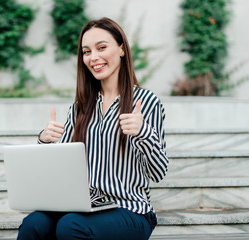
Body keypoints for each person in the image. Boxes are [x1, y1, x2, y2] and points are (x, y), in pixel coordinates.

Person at [17, 17, 169, 240]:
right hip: (86, 208)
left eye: (101, 48)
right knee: (34, 224)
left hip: (130, 209)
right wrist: (45, 141)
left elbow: (158, 173)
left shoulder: (146, 102)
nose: (93, 57)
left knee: (71, 226)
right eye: (86, 52)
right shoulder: (81, 107)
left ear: (121, 49)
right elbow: (61, 165)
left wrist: (143, 132)